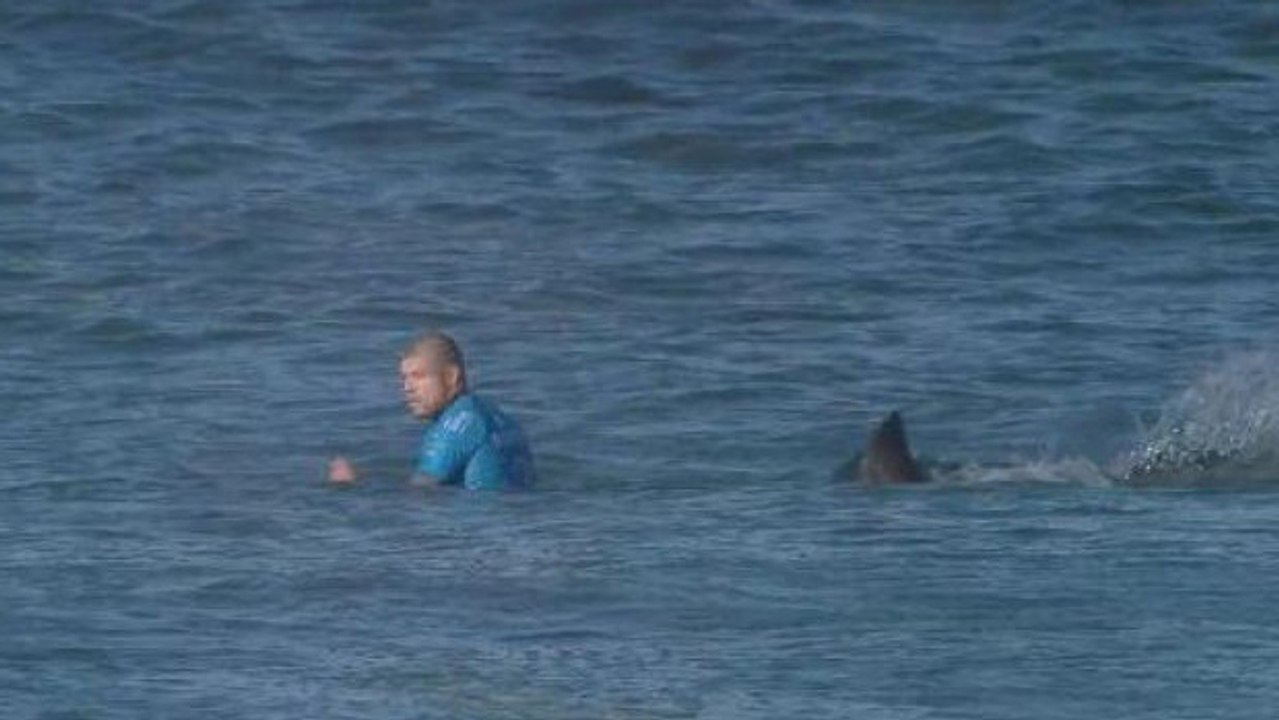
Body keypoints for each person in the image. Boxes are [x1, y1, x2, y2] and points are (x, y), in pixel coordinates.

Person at [328, 332, 536, 490]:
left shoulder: (455, 426)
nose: (407, 387)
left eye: (418, 376)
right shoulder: (501, 420)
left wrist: (353, 487)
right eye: (404, 378)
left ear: (451, 377)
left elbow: (420, 495)